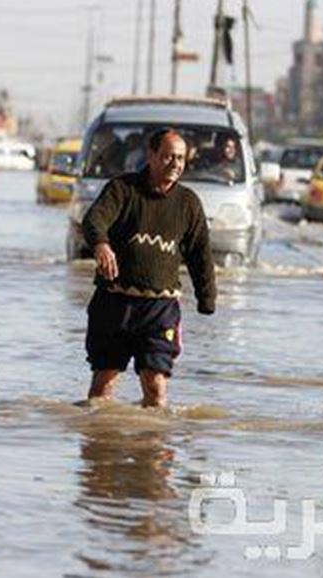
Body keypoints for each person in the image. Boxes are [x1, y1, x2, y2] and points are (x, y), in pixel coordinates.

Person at [81, 128, 217, 407]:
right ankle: (101, 445)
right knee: (103, 384)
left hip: (160, 309)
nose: (175, 164)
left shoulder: (188, 203)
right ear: (151, 155)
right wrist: (101, 245)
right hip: (114, 304)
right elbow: (95, 219)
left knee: (156, 387)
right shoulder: (122, 189)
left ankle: (153, 447)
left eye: (180, 158)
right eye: (168, 157)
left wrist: (208, 298)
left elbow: (200, 254)